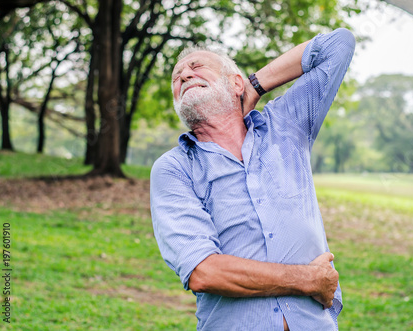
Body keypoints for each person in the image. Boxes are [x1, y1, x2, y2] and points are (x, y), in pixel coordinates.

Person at [150, 28, 355, 331]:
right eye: (177, 78)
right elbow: (204, 271)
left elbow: (338, 44)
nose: (183, 76)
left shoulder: (287, 125)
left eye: (196, 67)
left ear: (235, 83)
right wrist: (309, 279)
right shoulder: (174, 168)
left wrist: (254, 86)